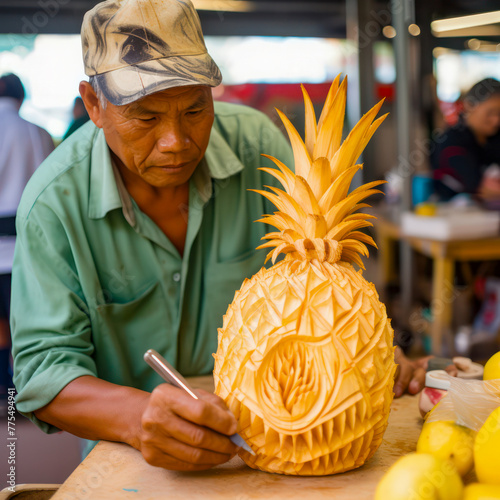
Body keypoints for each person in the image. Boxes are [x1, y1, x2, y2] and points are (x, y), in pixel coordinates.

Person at [11, 0, 440, 472]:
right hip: (134, 459)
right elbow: (42, 372)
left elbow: (318, 287)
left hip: (283, 442)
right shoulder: (53, 204)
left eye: (195, 109)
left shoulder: (257, 147)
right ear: (94, 104)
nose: (176, 140)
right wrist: (136, 417)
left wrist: (357, 352)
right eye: (147, 117)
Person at [0, 73, 53, 403]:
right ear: (21, 98)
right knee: (24, 322)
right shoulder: (37, 132)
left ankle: (1, 385)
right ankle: (27, 387)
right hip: (24, 248)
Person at [432, 78, 500, 201]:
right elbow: (483, 189)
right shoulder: (452, 142)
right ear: (469, 105)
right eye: (490, 113)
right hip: (451, 212)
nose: (496, 120)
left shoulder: (495, 139)